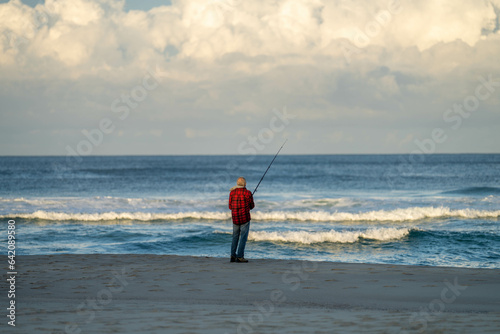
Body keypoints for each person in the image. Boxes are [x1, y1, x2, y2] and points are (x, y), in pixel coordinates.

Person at [228, 177, 255, 263]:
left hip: (235, 218)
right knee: (243, 238)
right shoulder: (248, 193)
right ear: (245, 184)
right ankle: (240, 257)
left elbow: (230, 206)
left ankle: (232, 255)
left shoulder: (232, 193)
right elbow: (252, 206)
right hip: (244, 218)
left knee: (235, 237)